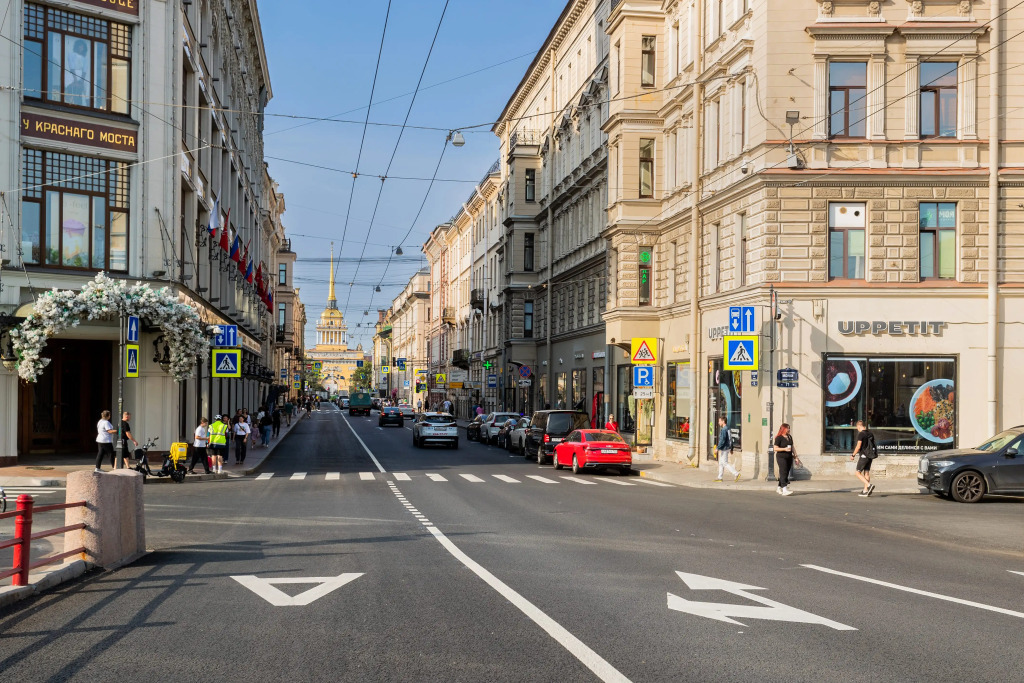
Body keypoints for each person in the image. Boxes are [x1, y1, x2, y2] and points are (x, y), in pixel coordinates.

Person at [851, 420, 877, 497]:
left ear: (859, 426)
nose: (857, 429)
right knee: (866, 472)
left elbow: (858, 446)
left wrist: (853, 455)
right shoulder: (870, 433)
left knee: (857, 472)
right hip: (870, 455)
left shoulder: (861, 434)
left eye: (857, 428)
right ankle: (865, 491)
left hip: (864, 456)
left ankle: (869, 485)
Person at [714, 417, 741, 483]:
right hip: (727, 448)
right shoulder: (728, 428)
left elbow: (722, 441)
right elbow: (730, 439)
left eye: (719, 421)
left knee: (725, 463)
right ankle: (720, 477)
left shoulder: (724, 430)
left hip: (724, 448)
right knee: (721, 463)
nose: (718, 422)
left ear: (723, 421)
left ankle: (736, 474)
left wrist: (717, 448)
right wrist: (731, 448)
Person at [774, 423, 797, 496]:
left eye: (789, 428)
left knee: (786, 473)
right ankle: (784, 489)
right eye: (787, 428)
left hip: (789, 457)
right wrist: (784, 449)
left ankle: (778, 487)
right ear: (783, 429)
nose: (789, 429)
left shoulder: (789, 437)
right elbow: (775, 448)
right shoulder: (779, 437)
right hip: (781, 457)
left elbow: (792, 447)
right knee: (783, 471)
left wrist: (796, 457)